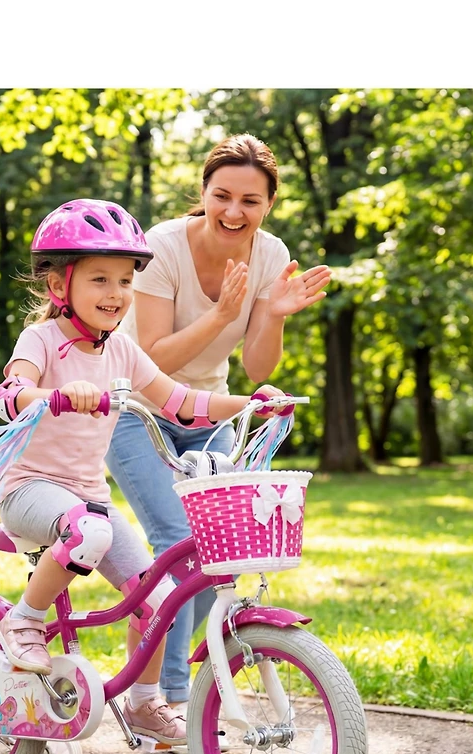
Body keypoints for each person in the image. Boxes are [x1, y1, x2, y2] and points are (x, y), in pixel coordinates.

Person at [0, 198, 290, 748]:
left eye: (125, 280)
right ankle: (23, 621)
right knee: (90, 530)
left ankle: (147, 704)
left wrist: (251, 402)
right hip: (28, 491)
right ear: (60, 288)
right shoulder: (41, 341)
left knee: (160, 599)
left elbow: (181, 403)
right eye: (99, 279)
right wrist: (55, 396)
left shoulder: (122, 351)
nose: (116, 293)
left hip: (86, 501)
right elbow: (11, 394)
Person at [106, 133, 331, 714]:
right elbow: (153, 359)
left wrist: (272, 314)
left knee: (220, 554)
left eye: (250, 201)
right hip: (137, 412)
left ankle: (167, 684)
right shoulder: (160, 248)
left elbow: (257, 364)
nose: (234, 211)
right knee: (178, 544)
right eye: (222, 195)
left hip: (209, 416)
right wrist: (225, 314)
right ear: (203, 193)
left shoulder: (272, 257)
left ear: (268, 205)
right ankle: (161, 700)